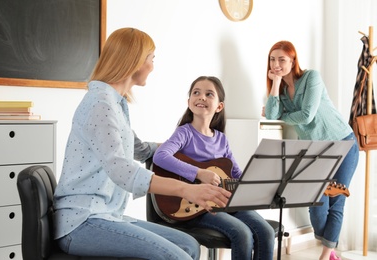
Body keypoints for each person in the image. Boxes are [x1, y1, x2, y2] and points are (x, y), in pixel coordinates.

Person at [53, 28, 231, 260]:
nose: (153, 66)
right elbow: (122, 172)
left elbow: (138, 148)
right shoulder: (101, 104)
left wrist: (181, 151)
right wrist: (188, 189)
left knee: (188, 244)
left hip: (106, 214)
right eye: (151, 59)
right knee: (178, 257)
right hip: (82, 221)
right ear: (134, 61)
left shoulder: (115, 103)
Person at [153, 76, 275, 260]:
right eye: (196, 93)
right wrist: (199, 173)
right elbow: (160, 156)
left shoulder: (222, 139)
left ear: (219, 106)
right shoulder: (184, 132)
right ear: (189, 102)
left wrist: (257, 182)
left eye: (209, 94)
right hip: (198, 206)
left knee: (266, 231)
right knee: (241, 233)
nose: (201, 97)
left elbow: (236, 174)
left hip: (225, 201)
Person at [262, 41, 359, 260]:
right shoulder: (283, 92)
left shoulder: (311, 77)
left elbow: (307, 115)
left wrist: (283, 117)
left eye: (282, 59)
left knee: (337, 201)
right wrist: (276, 82)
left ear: (293, 60)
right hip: (316, 152)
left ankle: (325, 255)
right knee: (316, 205)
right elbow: (270, 114)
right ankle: (331, 249)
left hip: (343, 142)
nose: (276, 64)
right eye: (272, 59)